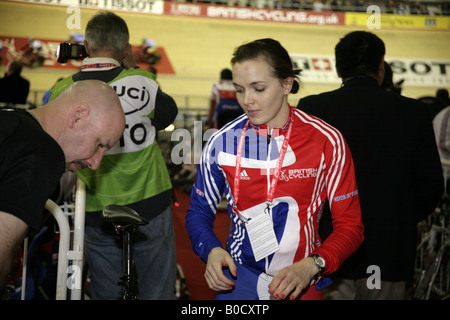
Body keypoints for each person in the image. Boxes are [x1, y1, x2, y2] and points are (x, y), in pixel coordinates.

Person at [186, 38, 364, 300]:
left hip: (302, 280)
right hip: (239, 279)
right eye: (239, 89)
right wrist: (211, 250)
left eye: (258, 89)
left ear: (287, 84)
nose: (247, 101)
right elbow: (199, 211)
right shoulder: (221, 142)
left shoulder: (328, 141)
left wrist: (314, 264)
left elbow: (351, 226)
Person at [297, 31, 444, 299]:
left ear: (339, 68)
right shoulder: (414, 112)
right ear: (381, 66)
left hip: (327, 252)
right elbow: (431, 187)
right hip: (389, 253)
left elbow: (299, 182)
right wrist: (397, 218)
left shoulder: (311, 108)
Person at [49, 11, 178, 300]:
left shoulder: (62, 89)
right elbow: (167, 115)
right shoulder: (144, 81)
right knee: (157, 291)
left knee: (106, 292)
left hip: (96, 211)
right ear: (125, 49)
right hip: (151, 203)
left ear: (88, 47)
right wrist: (130, 68)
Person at [0, 79, 125, 292]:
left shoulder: (8, 121)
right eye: (99, 144)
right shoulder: (43, 154)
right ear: (78, 116)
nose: (95, 164)